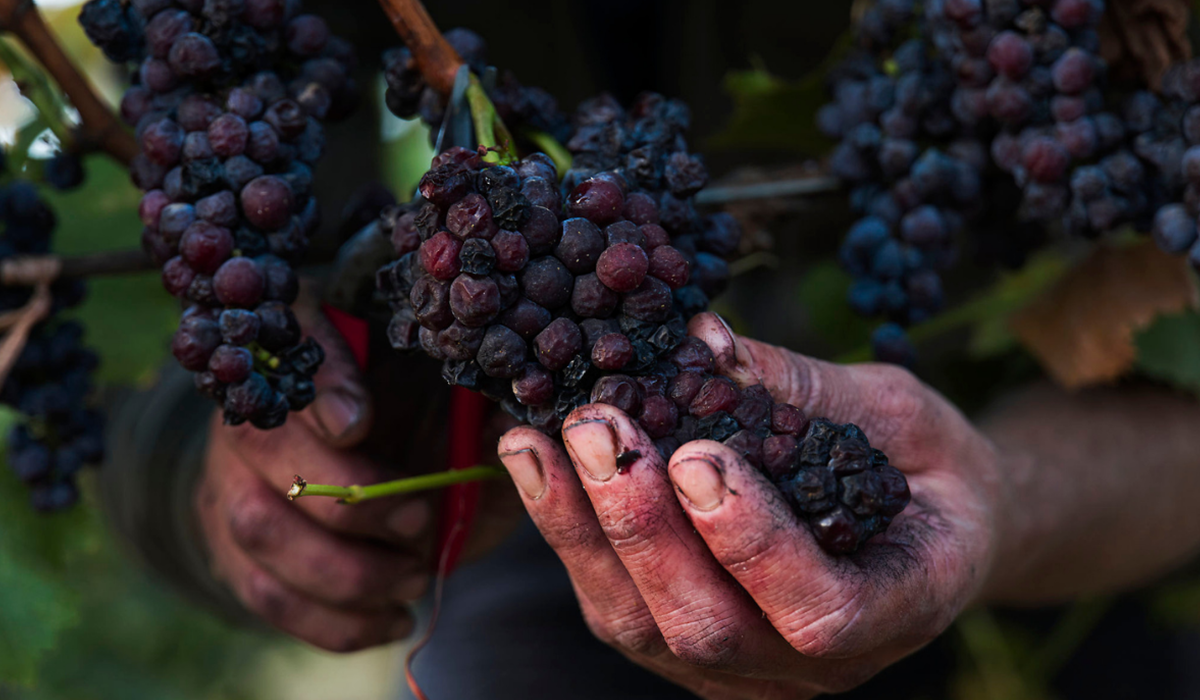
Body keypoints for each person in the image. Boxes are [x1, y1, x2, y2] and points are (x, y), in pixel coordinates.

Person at [102, 287, 1200, 698]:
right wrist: (216, 432)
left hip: (1105, 543)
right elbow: (234, 234)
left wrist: (1008, 499)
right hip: (558, 533)